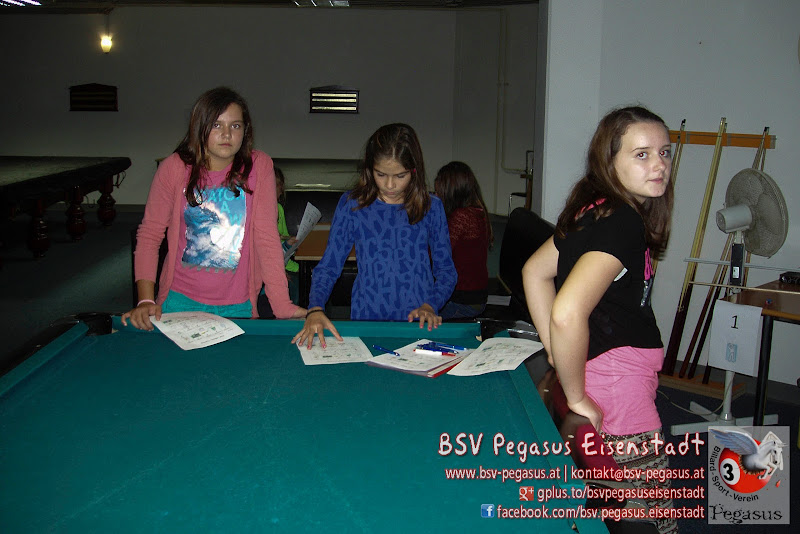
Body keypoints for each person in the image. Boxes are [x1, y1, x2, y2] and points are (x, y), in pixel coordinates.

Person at [521, 106, 677, 533]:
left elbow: (534, 272)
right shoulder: (623, 222)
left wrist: (559, 355)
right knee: (652, 517)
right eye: (642, 154)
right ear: (610, 161)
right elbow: (567, 311)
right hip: (620, 391)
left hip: (603, 374)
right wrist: (575, 396)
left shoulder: (596, 209)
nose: (659, 165)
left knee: (611, 505)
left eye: (665, 152)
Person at [123, 87, 306, 330]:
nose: (227, 134)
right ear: (200, 127)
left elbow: (267, 238)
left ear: (245, 131)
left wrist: (281, 304)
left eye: (235, 126)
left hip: (238, 304)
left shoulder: (259, 166)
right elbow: (150, 234)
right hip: (179, 300)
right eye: (217, 125)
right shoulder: (174, 168)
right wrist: (145, 300)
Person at [292, 123, 457, 348]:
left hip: (418, 322)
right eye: (381, 174)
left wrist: (431, 304)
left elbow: (446, 272)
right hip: (367, 320)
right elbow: (329, 266)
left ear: (414, 171)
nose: (390, 185)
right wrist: (315, 308)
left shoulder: (431, 207)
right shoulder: (353, 205)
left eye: (400, 175)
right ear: (370, 169)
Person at [434, 161, 493, 319]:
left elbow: (437, 253)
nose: (436, 196)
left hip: (463, 301)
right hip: (473, 297)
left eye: (439, 193)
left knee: (413, 314)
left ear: (452, 194)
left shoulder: (462, 217)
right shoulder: (476, 212)